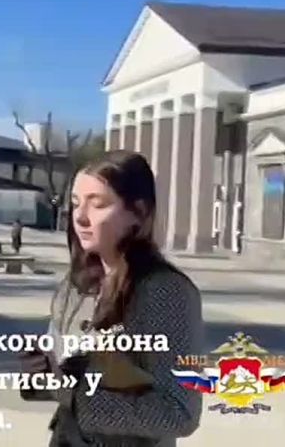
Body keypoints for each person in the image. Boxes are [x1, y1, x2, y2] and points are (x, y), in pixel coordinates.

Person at [20, 150, 203, 446]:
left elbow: (179, 412)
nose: (80, 217)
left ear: (138, 212)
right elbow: (65, 380)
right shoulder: (76, 285)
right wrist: (42, 372)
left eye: (98, 204)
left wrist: (76, 397)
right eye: (76, 203)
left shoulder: (166, 292)